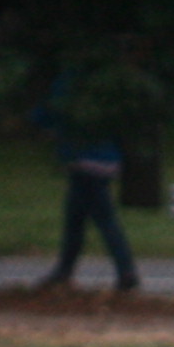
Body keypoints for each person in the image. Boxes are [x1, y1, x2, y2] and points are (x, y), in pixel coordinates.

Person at [34, 77, 140, 293]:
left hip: (85, 161)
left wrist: (38, 120)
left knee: (103, 219)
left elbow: (49, 113)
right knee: (75, 217)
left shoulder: (69, 83)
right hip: (106, 159)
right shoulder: (103, 85)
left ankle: (126, 271)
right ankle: (64, 270)